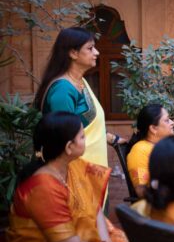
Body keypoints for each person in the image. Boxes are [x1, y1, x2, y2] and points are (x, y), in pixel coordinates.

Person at [6, 112, 144, 242]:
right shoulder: (43, 187)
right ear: (69, 147)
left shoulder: (75, 167)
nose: (86, 140)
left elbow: (95, 209)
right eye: (82, 136)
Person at [33, 27, 126, 168]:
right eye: (90, 48)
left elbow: (87, 123)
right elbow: (64, 139)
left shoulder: (80, 81)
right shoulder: (63, 90)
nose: (97, 52)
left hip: (92, 169)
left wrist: (113, 139)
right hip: (76, 172)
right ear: (73, 53)